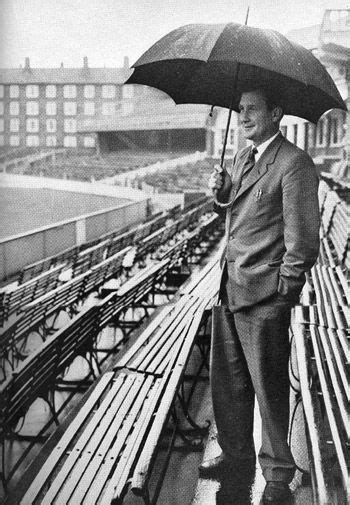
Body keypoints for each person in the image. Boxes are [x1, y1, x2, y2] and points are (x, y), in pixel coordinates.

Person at [199, 88, 320, 504]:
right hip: (230, 288)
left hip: (265, 295)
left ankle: (278, 473)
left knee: (269, 390)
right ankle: (236, 457)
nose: (244, 115)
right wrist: (219, 192)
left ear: (276, 112)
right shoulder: (241, 158)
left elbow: (302, 240)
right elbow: (234, 213)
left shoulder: (294, 163)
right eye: (240, 109)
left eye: (252, 109)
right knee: (228, 385)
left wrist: (283, 293)